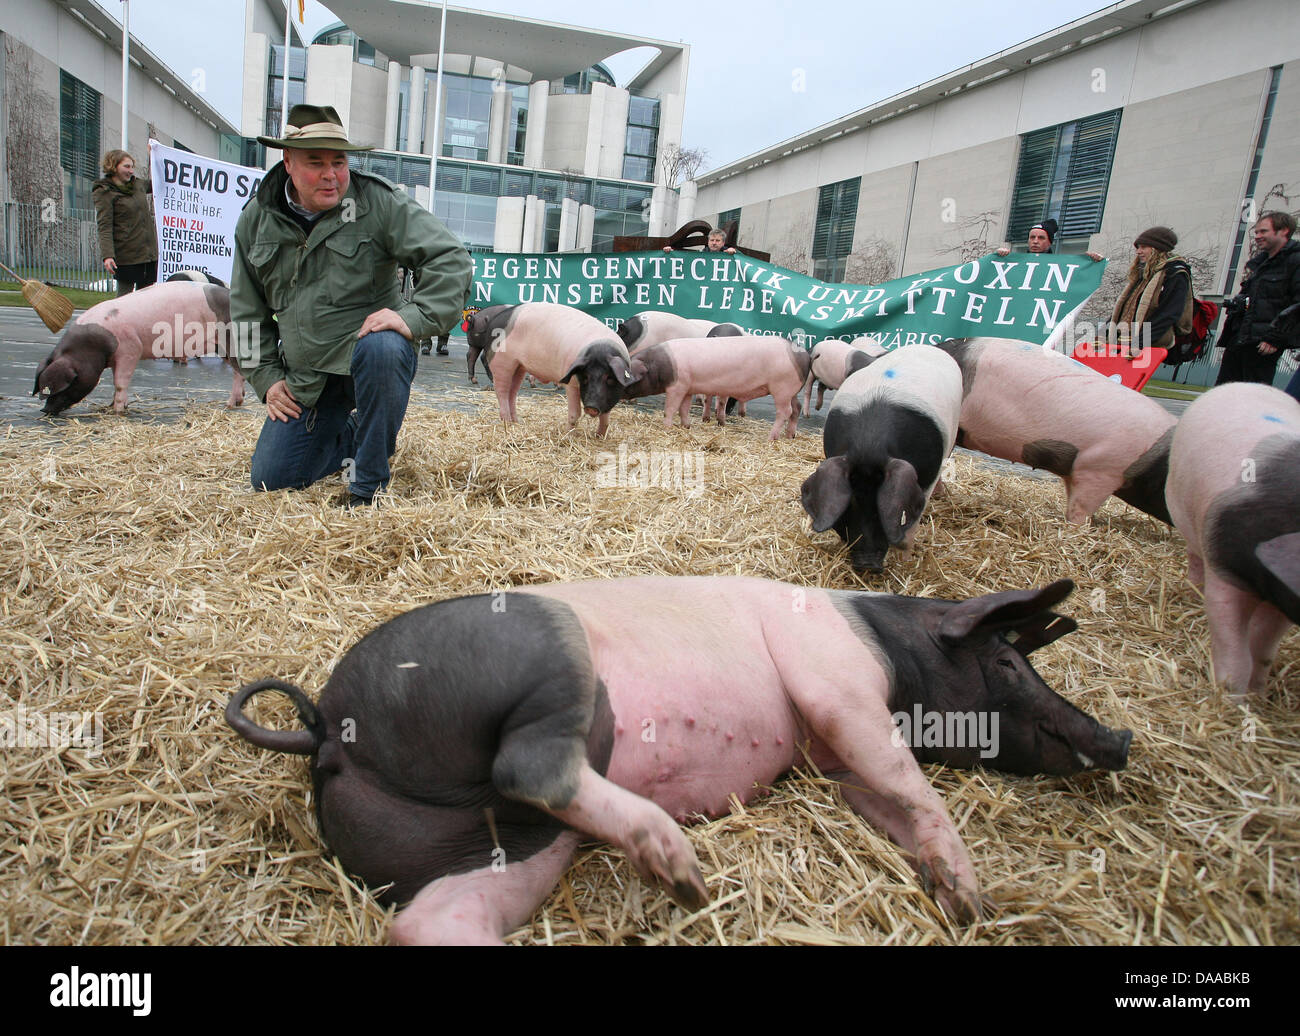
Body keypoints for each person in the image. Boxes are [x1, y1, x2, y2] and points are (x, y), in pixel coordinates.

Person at [231, 104, 472, 507]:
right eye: (316, 162)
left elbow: (451, 260)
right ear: (287, 161)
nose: (331, 174)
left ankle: (367, 484)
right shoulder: (257, 220)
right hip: (309, 377)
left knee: (384, 345)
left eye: (339, 161)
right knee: (273, 480)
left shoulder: (376, 202)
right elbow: (246, 310)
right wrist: (266, 379)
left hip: (372, 360)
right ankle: (361, 432)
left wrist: (411, 316)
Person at [1215, 211, 1300, 388]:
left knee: (1252, 396)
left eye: (1263, 231)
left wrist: (1275, 338)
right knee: (1225, 392)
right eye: (1256, 232)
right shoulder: (1261, 264)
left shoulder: (1295, 261)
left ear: (1283, 231)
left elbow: (1296, 306)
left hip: (1263, 343)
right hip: (1240, 339)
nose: (1258, 236)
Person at [1103, 226, 1191, 357]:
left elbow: (1169, 313)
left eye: (1143, 247)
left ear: (1157, 249)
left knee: (1129, 377)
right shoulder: (1142, 274)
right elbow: (1124, 308)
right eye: (1137, 247)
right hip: (1122, 341)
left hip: (1146, 344)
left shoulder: (1175, 274)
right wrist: (1104, 333)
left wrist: (1140, 344)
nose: (1138, 251)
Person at [93, 149, 158, 297]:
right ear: (114, 166)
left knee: (146, 300)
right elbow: (104, 225)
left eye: (132, 167)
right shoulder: (105, 191)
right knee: (124, 300)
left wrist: (154, 154)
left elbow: (160, 181)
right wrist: (108, 255)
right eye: (126, 167)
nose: (131, 171)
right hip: (127, 256)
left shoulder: (138, 185)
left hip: (147, 256)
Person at [996, 218, 1104, 261]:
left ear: (1049, 242)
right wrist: (1000, 258)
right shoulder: (1014, 262)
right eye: (1032, 237)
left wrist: (1094, 262)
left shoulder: (1060, 265)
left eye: (1041, 237)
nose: (1035, 241)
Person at [663, 226, 736, 254]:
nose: (714, 243)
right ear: (708, 242)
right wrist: (671, 253)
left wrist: (734, 253)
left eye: (717, 240)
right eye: (712, 240)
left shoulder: (729, 253)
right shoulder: (701, 254)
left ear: (723, 243)